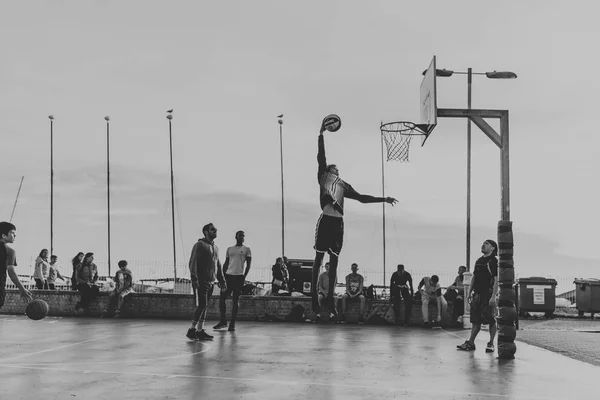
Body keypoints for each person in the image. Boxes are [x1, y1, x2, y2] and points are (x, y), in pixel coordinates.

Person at [311, 120, 398, 316]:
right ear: (329, 170)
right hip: (325, 220)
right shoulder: (323, 176)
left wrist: (383, 199)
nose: (337, 171)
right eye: (335, 169)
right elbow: (320, 157)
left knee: (334, 263)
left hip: (337, 224)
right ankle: (314, 301)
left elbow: (362, 198)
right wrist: (321, 135)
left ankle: (331, 302)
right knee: (318, 260)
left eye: (338, 170)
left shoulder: (343, 185)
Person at [457, 240, 499, 353]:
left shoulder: (493, 261)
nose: (483, 245)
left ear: (493, 248)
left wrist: (493, 296)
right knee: (475, 320)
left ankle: (491, 343)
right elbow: (474, 277)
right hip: (477, 294)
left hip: (488, 293)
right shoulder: (479, 261)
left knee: (491, 319)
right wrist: (469, 292)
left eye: (487, 244)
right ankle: (471, 343)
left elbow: (496, 280)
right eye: (483, 243)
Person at [186, 223, 225, 341]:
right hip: (200, 282)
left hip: (211, 282)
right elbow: (193, 263)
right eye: (212, 229)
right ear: (206, 232)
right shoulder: (199, 245)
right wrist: (194, 279)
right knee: (201, 305)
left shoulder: (216, 248)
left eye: (215, 229)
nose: (215, 231)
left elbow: (218, 265)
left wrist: (222, 280)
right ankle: (192, 330)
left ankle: (200, 330)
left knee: (205, 306)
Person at [214, 230, 252, 332]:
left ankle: (232, 324)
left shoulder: (247, 249)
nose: (242, 237)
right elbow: (226, 263)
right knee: (222, 299)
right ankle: (223, 321)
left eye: (243, 236)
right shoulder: (230, 249)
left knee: (236, 300)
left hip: (239, 277)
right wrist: (222, 277)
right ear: (236, 237)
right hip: (228, 276)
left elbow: (248, 265)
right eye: (240, 235)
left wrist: (244, 276)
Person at [0, 222, 33, 311]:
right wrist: (22, 289)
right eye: (12, 233)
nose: (15, 235)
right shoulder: (9, 251)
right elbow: (11, 271)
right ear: (3, 235)